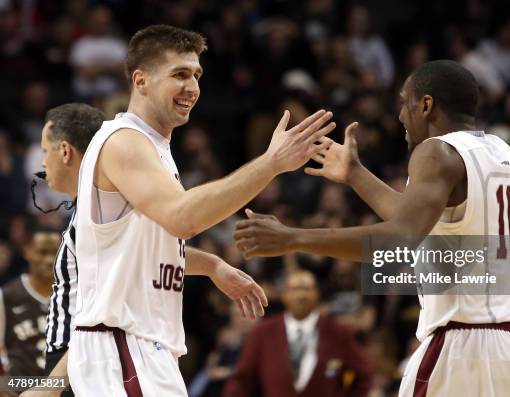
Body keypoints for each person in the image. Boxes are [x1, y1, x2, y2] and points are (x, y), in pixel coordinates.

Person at [234, 60, 510, 396]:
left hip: (463, 348)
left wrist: (293, 238)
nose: (401, 115)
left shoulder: (436, 151)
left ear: (426, 105)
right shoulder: (501, 151)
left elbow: (400, 238)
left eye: (405, 102)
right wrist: (355, 174)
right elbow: (417, 218)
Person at [69, 24, 335, 397]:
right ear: (141, 80)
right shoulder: (125, 142)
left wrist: (211, 265)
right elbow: (184, 219)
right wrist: (272, 163)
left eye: (196, 75)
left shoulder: (153, 148)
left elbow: (142, 247)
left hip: (140, 348)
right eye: (179, 74)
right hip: (122, 347)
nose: (192, 86)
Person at [22, 103, 270, 397]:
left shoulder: (102, 217)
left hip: (82, 367)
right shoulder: (96, 214)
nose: (42, 161)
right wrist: (213, 265)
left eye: (44, 150)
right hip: (80, 366)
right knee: (9, 384)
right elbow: (144, 257)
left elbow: (99, 317)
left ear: (64, 151)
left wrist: (49, 387)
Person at [222, 270, 372, 397]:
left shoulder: (338, 332)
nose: (301, 295)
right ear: (284, 295)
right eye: (295, 289)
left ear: (317, 294)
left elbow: (363, 375)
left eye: (307, 289)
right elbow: (241, 381)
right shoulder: (263, 333)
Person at [0, 227, 58, 377]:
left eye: (55, 252)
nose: (50, 260)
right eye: (43, 252)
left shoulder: (75, 295)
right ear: (27, 252)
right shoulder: (7, 295)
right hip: (19, 385)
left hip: (62, 386)